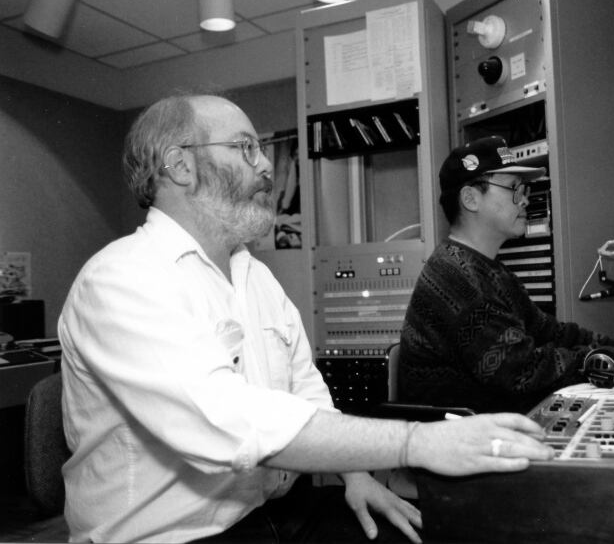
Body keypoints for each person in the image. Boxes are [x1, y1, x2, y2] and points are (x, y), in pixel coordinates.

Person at [57, 96, 555, 544]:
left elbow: (306, 390)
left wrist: (356, 477)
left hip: (271, 512)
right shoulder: (121, 279)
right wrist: (417, 442)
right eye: (246, 148)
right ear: (181, 165)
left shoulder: (254, 277)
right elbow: (224, 423)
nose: (267, 169)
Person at [399, 136, 614, 413]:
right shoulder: (456, 277)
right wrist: (609, 357)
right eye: (514, 189)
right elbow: (520, 370)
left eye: (525, 190)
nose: (525, 200)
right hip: (460, 443)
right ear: (471, 199)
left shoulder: (486, 269)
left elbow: (549, 332)